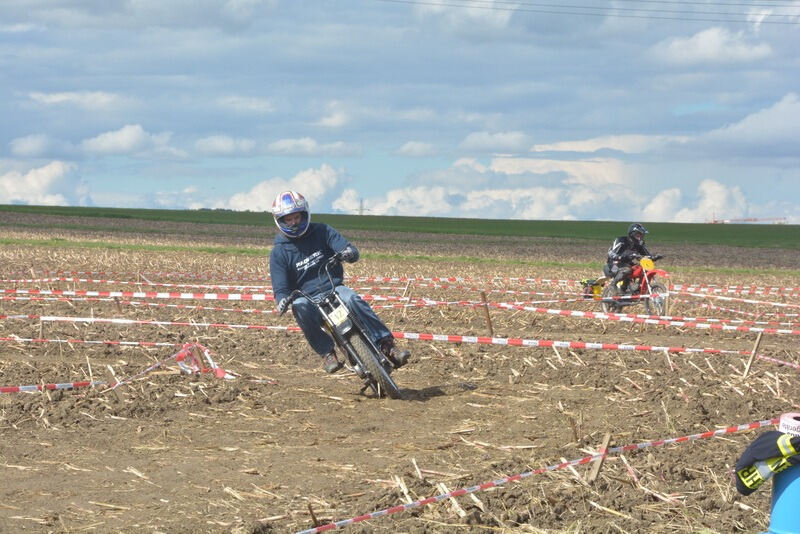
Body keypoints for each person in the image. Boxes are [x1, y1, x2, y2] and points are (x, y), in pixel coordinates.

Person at [269, 190, 410, 374]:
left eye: (296, 217)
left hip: (334, 289)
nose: (294, 223)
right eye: (288, 219)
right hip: (309, 300)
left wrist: (348, 252)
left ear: (304, 214)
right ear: (280, 221)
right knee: (299, 306)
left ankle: (387, 345)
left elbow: (348, 249)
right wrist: (282, 300)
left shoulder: (323, 231)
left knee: (353, 299)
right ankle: (327, 354)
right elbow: (280, 288)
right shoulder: (279, 252)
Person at [603, 223, 662, 293]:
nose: (640, 237)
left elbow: (646, 255)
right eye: (638, 235)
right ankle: (613, 285)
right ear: (632, 234)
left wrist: (655, 257)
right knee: (627, 269)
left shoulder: (639, 245)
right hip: (613, 265)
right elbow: (611, 253)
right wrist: (622, 256)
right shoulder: (621, 240)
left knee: (641, 268)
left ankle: (634, 287)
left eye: (641, 235)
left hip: (626, 265)